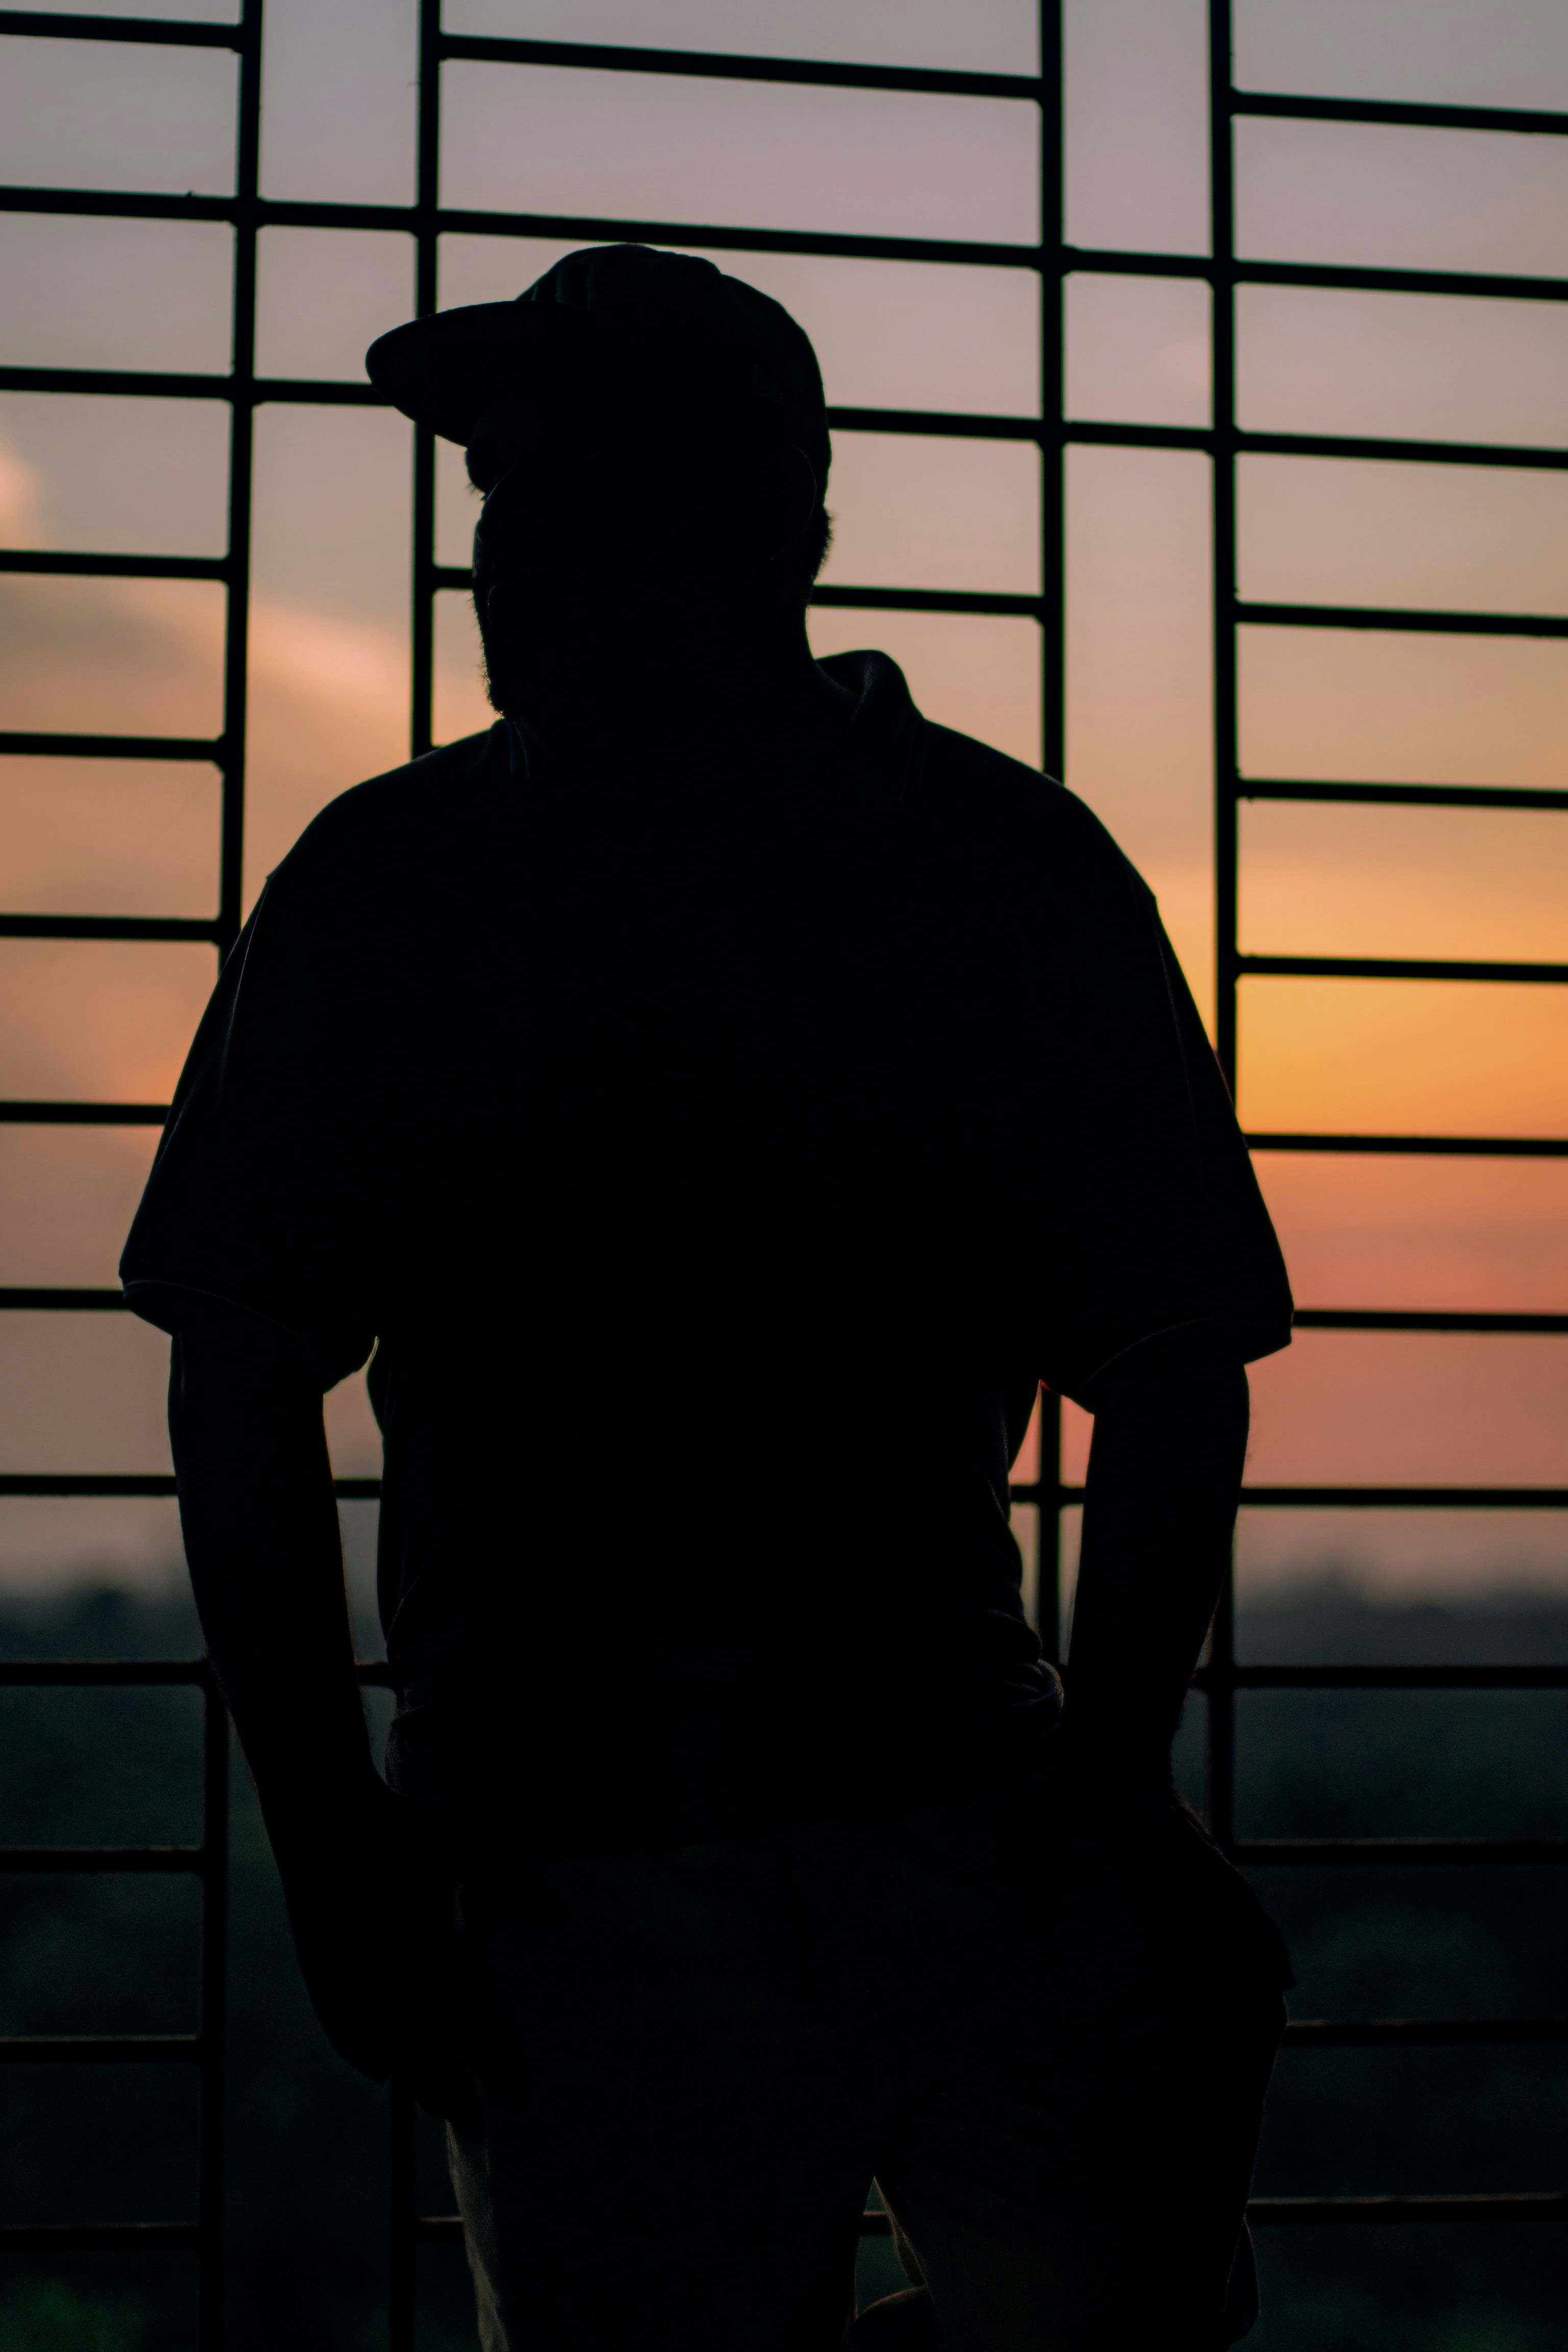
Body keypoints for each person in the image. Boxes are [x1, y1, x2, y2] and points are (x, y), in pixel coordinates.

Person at [121, 243, 1295, 2350]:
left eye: (565, 488)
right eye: (500, 492)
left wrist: (339, 1848)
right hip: (889, 1822)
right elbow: (1177, 1355)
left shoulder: (407, 881)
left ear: (776, 525)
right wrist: (1106, 1802)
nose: (505, 549)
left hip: (613, 1850)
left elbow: (240, 1368)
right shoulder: (995, 862)